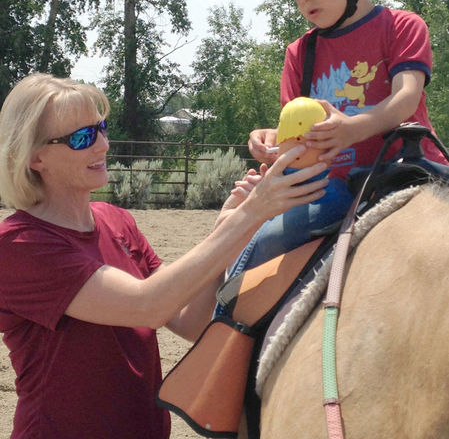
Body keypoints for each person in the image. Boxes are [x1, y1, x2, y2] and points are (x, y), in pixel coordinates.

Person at [0, 73, 330, 439]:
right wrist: (254, 212)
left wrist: (228, 227)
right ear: (34, 158)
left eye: (101, 128)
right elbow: (148, 306)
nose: (103, 146)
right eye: (82, 138)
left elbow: (188, 322)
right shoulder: (20, 245)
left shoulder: (117, 221)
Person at [230, 0, 448, 275]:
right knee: (251, 247)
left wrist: (352, 129)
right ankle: (224, 324)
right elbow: (296, 134)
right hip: (329, 188)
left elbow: (405, 99)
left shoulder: (402, 26)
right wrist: (270, 138)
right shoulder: (300, 53)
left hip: (402, 172)